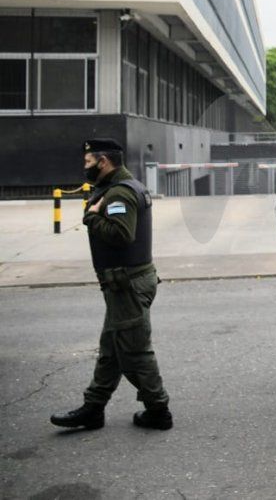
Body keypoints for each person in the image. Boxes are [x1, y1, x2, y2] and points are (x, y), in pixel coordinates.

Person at [51, 139, 173, 431]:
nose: (85, 168)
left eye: (88, 162)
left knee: (135, 351)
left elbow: (121, 235)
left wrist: (91, 217)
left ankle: (158, 410)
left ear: (104, 161)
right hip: (125, 283)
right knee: (111, 348)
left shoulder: (120, 193)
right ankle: (94, 407)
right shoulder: (124, 186)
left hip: (128, 284)